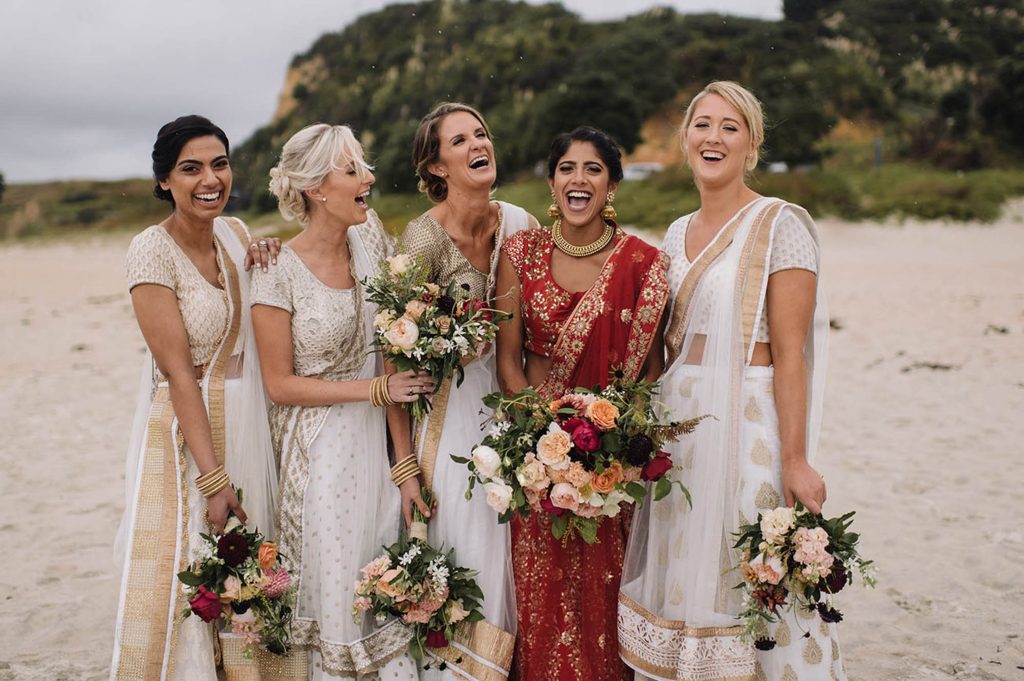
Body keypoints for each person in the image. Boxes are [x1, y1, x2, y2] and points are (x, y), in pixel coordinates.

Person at [617, 81, 844, 681]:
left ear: (752, 144)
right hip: (680, 423)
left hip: (748, 421)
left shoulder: (781, 224)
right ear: (685, 139)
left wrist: (795, 459)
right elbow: (657, 345)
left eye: (729, 126)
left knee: (751, 564)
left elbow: (793, 355)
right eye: (702, 124)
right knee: (684, 565)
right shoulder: (673, 232)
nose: (713, 137)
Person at [252, 123, 434, 680]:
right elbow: (280, 384)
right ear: (314, 189)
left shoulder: (370, 236)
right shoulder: (274, 270)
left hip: (373, 451)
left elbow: (391, 346)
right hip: (318, 460)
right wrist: (374, 391)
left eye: (364, 166)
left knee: (383, 589)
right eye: (352, 170)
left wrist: (403, 464)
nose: (369, 179)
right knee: (338, 599)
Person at [494, 126, 669, 681]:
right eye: (567, 168)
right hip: (536, 459)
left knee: (604, 593)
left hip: (610, 465)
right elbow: (508, 361)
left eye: (593, 169)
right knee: (541, 595)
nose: (579, 179)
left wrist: (609, 455)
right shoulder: (520, 251)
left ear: (612, 184)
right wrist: (539, 446)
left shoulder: (642, 264)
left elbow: (650, 372)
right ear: (551, 181)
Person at [110, 115, 280, 680]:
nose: (210, 179)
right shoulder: (149, 252)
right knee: (193, 569)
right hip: (190, 433)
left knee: (254, 566)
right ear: (164, 180)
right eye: (191, 169)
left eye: (220, 164)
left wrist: (269, 253)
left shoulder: (235, 232)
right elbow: (179, 374)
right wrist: (213, 479)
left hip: (250, 418)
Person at [399, 102, 537, 681]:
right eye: (459, 140)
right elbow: (395, 356)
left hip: (513, 401)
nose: (478, 144)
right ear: (436, 166)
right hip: (447, 414)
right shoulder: (421, 239)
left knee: (513, 546)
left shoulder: (522, 223)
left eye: (481, 133)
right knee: (466, 544)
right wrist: (404, 464)